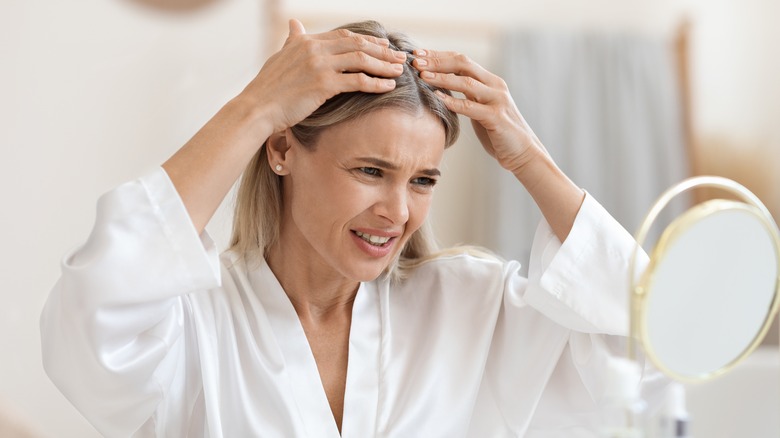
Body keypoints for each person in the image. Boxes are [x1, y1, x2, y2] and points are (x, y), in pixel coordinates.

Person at [41, 19, 661, 437]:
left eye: (423, 180)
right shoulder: (195, 322)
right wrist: (255, 107)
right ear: (282, 150)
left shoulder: (471, 306)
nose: (397, 210)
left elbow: (644, 345)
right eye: (371, 170)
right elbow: (92, 314)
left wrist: (529, 159)